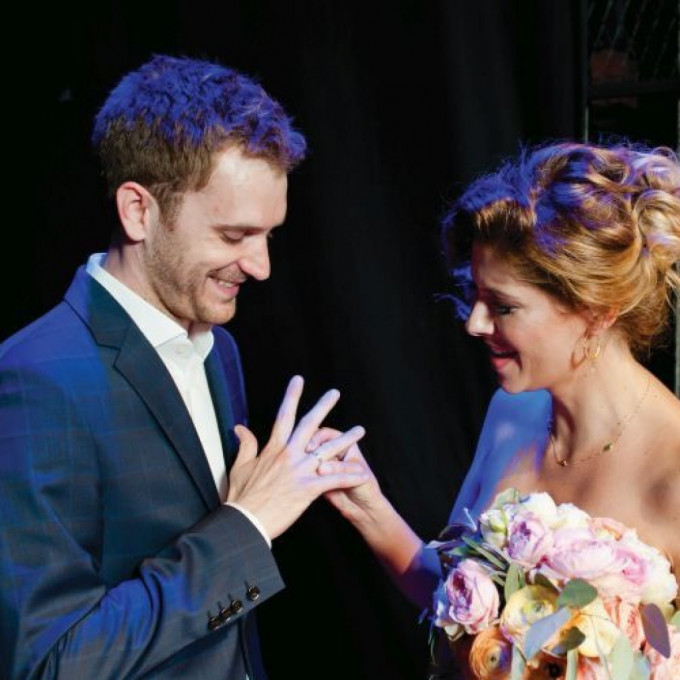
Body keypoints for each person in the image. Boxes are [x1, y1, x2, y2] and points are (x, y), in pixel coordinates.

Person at [0, 54, 369, 680]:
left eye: (269, 235)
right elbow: (51, 663)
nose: (261, 267)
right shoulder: (34, 380)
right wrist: (247, 525)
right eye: (233, 235)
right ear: (138, 211)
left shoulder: (219, 349)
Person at [314, 140, 680, 671]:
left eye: (503, 306)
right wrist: (367, 506)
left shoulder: (673, 469)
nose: (475, 323)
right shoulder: (512, 414)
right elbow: (453, 601)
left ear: (597, 310)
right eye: (476, 296)